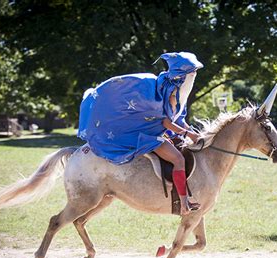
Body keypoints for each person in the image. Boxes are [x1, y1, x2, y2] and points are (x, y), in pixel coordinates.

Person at [77, 52, 203, 215]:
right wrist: (187, 134)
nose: (194, 75)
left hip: (164, 132)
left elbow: (179, 119)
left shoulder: (181, 93)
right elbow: (165, 121)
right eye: (192, 72)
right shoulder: (166, 91)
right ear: (182, 74)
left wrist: (192, 132)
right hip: (151, 133)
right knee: (178, 160)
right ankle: (184, 203)